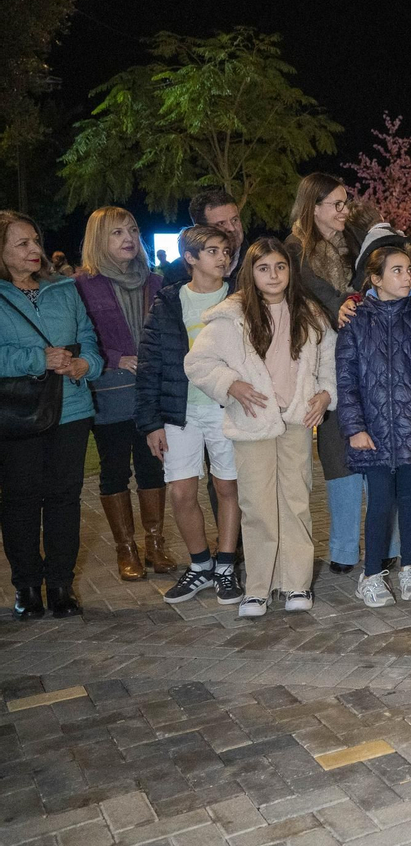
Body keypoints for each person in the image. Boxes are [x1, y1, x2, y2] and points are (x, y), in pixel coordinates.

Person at [185, 238, 336, 618]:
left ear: (290, 271)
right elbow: (198, 363)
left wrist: (325, 394)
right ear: (250, 273)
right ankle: (258, 588)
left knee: (296, 502)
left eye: (280, 267)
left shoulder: (310, 313)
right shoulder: (231, 316)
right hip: (252, 422)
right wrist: (230, 384)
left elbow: (330, 361)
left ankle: (296, 583)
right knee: (257, 506)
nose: (273, 275)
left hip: (296, 420)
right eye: (264, 268)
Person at [0, 212, 103, 620]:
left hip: (72, 407)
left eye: (35, 241)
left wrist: (86, 366)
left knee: (64, 498)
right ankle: (27, 587)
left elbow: (90, 341)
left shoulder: (64, 287)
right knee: (21, 501)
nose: (35, 250)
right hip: (18, 412)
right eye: (22, 243)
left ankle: (61, 585)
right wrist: (36, 358)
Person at [136, 225, 245, 607]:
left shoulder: (240, 299)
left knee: (226, 488)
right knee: (181, 491)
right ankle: (200, 565)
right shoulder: (168, 302)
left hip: (225, 409)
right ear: (191, 258)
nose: (222, 257)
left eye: (226, 251)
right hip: (179, 412)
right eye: (212, 251)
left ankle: (226, 566)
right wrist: (150, 423)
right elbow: (150, 364)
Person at [338, 242, 411, 607]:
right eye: (396, 270)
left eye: (408, 269)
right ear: (375, 279)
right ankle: (370, 574)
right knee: (380, 501)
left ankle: (410, 566)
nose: (407, 276)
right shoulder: (355, 321)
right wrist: (355, 428)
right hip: (374, 431)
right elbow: (346, 380)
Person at [73, 206, 174, 582]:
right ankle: (125, 548)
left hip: (151, 393)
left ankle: (155, 543)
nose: (128, 238)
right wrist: (116, 357)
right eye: (116, 233)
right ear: (99, 240)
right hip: (109, 392)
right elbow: (80, 339)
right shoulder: (82, 284)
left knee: (152, 468)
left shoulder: (156, 282)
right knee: (114, 471)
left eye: (131, 230)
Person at [286, 173, 370, 574]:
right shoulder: (295, 249)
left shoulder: (356, 237)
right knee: (337, 454)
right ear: (313, 206)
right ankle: (343, 550)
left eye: (345, 202)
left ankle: (384, 544)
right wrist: (342, 301)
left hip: (369, 356)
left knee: (374, 449)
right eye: (335, 204)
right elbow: (313, 286)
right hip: (325, 360)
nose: (344, 210)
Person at [163, 189, 246, 289]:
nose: (232, 228)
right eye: (221, 224)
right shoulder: (177, 273)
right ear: (200, 229)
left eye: (235, 220)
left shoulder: (259, 261)